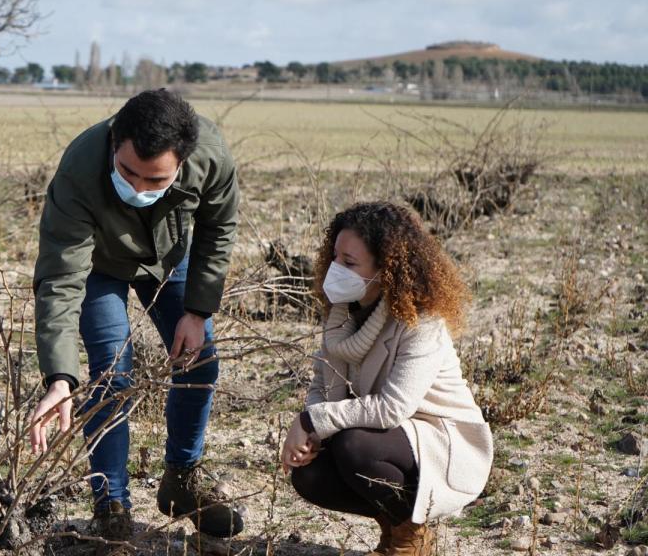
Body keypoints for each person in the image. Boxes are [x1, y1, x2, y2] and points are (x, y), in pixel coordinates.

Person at [27, 89, 242, 553]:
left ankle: (181, 481)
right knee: (112, 369)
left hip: (169, 258)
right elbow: (62, 276)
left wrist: (198, 309)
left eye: (156, 179)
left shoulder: (210, 153)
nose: (140, 188)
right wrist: (60, 377)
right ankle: (112, 505)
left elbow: (218, 227)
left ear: (182, 163)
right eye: (127, 173)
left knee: (199, 359)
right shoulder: (81, 168)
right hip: (99, 267)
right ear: (114, 143)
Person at [281, 201, 493, 556]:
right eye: (335, 257)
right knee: (309, 474)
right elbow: (323, 382)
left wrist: (309, 419)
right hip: (381, 434)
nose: (336, 269)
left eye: (349, 263)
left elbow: (392, 408)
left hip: (438, 438)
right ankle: (393, 533)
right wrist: (311, 432)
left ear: (386, 270)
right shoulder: (339, 317)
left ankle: (412, 537)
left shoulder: (421, 321)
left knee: (353, 446)